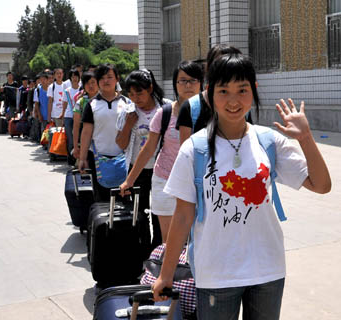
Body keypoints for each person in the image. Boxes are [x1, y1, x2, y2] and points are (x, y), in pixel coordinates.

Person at [152, 53, 331, 320]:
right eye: (223, 91)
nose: (233, 100)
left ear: (254, 90)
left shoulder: (269, 141)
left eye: (242, 90)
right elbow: (183, 216)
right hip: (215, 274)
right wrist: (166, 275)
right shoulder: (195, 149)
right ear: (210, 93)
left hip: (267, 270)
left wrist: (305, 137)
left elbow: (321, 185)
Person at [120, 61, 203, 245]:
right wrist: (130, 180)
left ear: (201, 83)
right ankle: (170, 272)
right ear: (175, 84)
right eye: (182, 81)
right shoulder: (165, 113)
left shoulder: (212, 113)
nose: (187, 85)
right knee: (170, 241)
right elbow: (148, 148)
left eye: (192, 80)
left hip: (200, 183)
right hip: (166, 180)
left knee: (198, 239)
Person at [116, 69, 169, 249]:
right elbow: (121, 144)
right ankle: (144, 250)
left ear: (150, 88)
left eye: (139, 92)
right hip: (137, 170)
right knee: (140, 213)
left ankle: (159, 250)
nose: (135, 98)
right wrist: (129, 125)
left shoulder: (166, 108)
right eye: (131, 94)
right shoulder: (128, 111)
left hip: (163, 171)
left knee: (160, 211)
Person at [79, 63, 131, 201]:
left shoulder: (127, 103)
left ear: (117, 79)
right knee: (101, 199)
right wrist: (82, 158)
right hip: (98, 159)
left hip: (123, 159)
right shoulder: (91, 105)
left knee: (123, 200)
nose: (106, 81)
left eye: (110, 77)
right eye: (102, 78)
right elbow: (86, 133)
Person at [176, 44, 241, 145]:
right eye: (220, 65)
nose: (226, 71)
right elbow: (186, 155)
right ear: (209, 69)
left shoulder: (244, 105)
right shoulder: (190, 107)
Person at [72, 71, 99, 160]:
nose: (90, 86)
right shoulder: (81, 102)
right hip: (86, 143)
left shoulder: (105, 100)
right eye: (87, 83)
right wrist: (76, 146)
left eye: (93, 82)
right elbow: (76, 126)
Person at [60, 68, 82, 165]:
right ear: (70, 78)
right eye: (72, 77)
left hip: (80, 116)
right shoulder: (67, 90)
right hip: (69, 116)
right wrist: (62, 115)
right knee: (70, 139)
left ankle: (79, 159)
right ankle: (71, 159)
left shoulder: (82, 89)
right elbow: (64, 103)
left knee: (78, 139)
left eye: (76, 76)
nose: (74, 79)